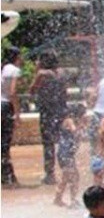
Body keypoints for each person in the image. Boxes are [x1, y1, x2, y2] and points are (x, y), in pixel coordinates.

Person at [28, 51, 68, 185]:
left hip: (47, 111)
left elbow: (32, 90)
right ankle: (68, 170)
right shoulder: (62, 72)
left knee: (48, 143)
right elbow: (65, 91)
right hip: (61, 110)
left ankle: (50, 174)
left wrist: (37, 69)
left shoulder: (42, 74)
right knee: (64, 140)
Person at [53, 104, 86, 207]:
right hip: (65, 153)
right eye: (83, 114)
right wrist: (82, 125)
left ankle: (58, 199)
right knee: (74, 177)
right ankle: (73, 200)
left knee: (66, 178)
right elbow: (75, 131)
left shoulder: (72, 120)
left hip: (67, 153)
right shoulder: (69, 120)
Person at [1, 48, 24, 186]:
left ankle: (6, 176)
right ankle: (8, 177)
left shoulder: (2, 68)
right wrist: (17, 113)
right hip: (5, 107)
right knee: (4, 144)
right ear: (16, 56)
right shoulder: (14, 70)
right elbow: (13, 92)